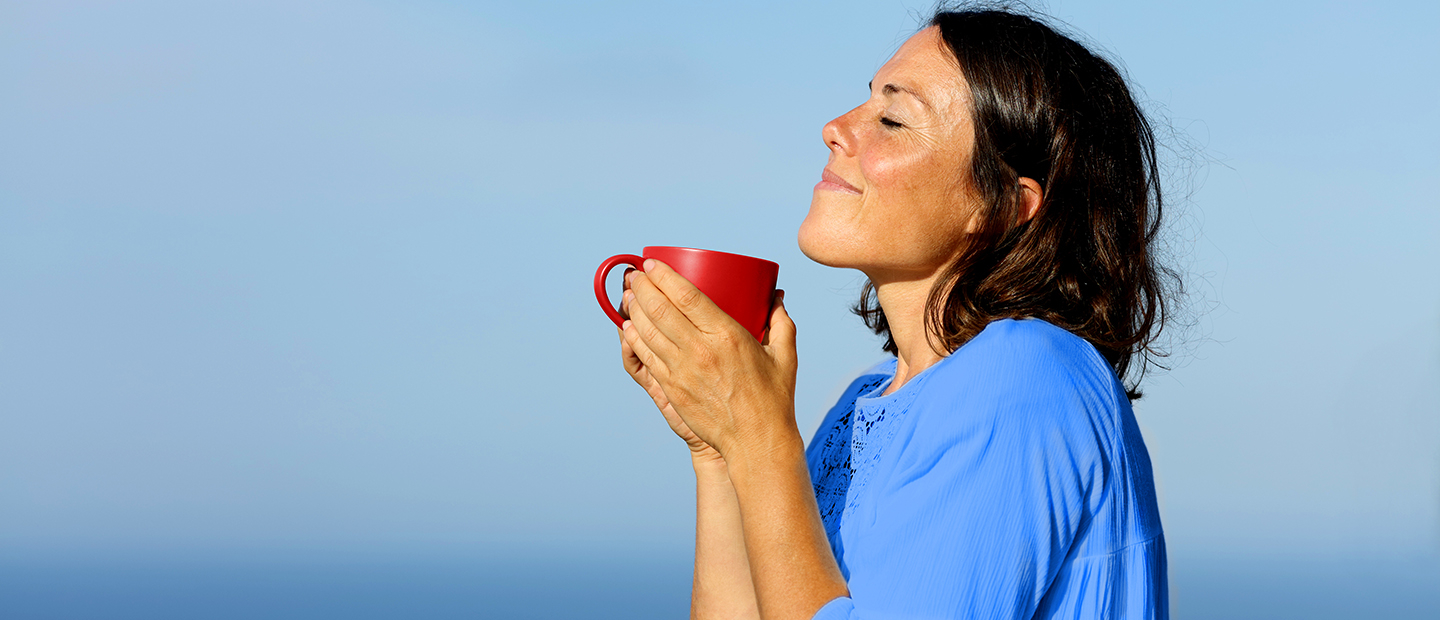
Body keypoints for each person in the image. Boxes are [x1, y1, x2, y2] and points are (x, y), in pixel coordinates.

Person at [614, 6, 1174, 619]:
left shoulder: (1025, 377)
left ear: (1003, 207)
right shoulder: (860, 406)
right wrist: (720, 450)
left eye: (892, 118)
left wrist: (759, 435)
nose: (834, 128)